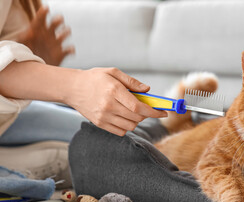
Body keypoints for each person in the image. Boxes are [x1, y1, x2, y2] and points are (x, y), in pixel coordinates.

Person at [0, 0, 167, 187]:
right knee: (120, 152)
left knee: (145, 137)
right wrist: (75, 85)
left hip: (14, 116)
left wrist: (31, 62)